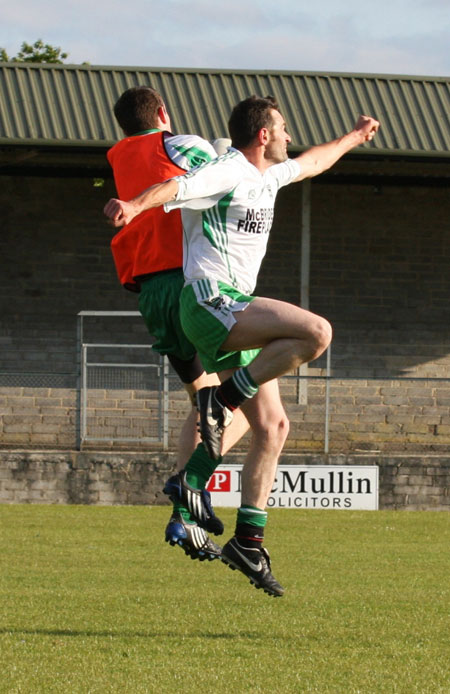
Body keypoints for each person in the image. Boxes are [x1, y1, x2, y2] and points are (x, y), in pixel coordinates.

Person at [104, 95, 380, 597]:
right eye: (283, 128)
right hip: (210, 303)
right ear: (263, 135)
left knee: (273, 427)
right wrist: (133, 204)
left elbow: (313, 161)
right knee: (316, 333)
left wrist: (354, 137)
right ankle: (220, 404)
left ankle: (246, 541)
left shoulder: (266, 177)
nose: (289, 136)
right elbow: (176, 186)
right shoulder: (227, 170)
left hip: (232, 311)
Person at [106, 85, 249, 562]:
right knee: (242, 408)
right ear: (163, 113)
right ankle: (188, 485)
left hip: (150, 291)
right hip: (189, 285)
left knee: (202, 402)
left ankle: (184, 519)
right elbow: (220, 171)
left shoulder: (120, 157)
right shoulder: (179, 143)